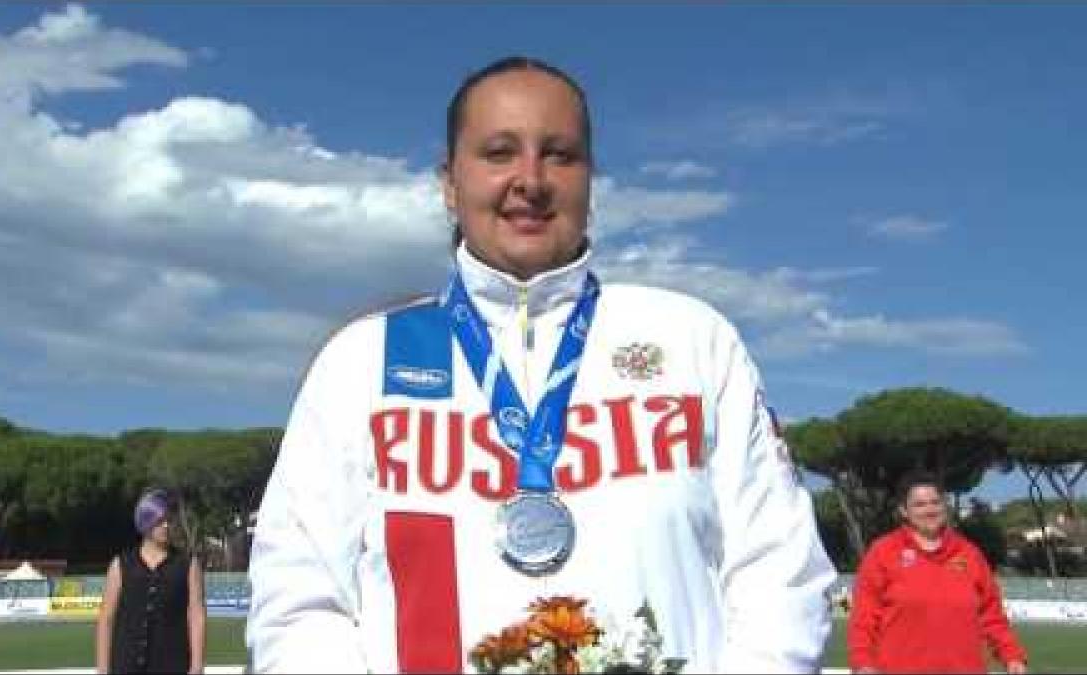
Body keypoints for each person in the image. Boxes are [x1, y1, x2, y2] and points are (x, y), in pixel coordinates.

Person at [246, 55, 836, 673]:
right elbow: (300, 600)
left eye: (559, 154)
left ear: (590, 179)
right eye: (499, 152)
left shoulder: (692, 339)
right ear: (450, 183)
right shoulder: (359, 361)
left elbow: (778, 571)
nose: (530, 178)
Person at [848, 471, 1027, 674]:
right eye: (920, 504)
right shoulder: (882, 553)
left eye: (935, 502)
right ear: (903, 511)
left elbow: (992, 615)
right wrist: (863, 662)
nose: (929, 510)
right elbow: (864, 616)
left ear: (945, 505)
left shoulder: (970, 554)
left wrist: (1012, 656)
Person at [96, 489, 206, 674]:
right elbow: (106, 619)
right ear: (145, 521)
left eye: (169, 520)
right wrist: (103, 668)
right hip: (125, 663)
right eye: (160, 520)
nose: (166, 526)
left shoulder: (187, 564)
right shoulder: (121, 565)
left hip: (173, 663)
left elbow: (196, 615)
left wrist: (197, 665)